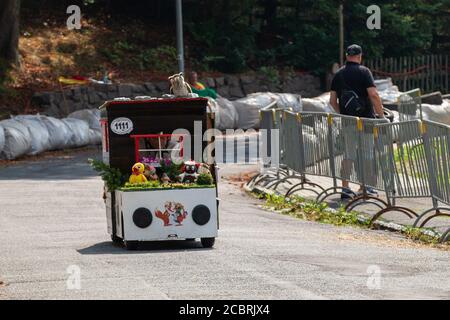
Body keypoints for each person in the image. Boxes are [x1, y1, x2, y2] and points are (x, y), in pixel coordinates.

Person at [329, 44, 385, 199]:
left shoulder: (339, 74)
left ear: (346, 56)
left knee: (348, 153)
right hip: (366, 120)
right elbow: (373, 94)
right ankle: (365, 187)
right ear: (360, 56)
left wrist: (344, 114)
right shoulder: (364, 72)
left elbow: (332, 101)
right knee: (367, 154)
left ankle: (345, 189)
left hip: (348, 122)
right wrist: (381, 116)